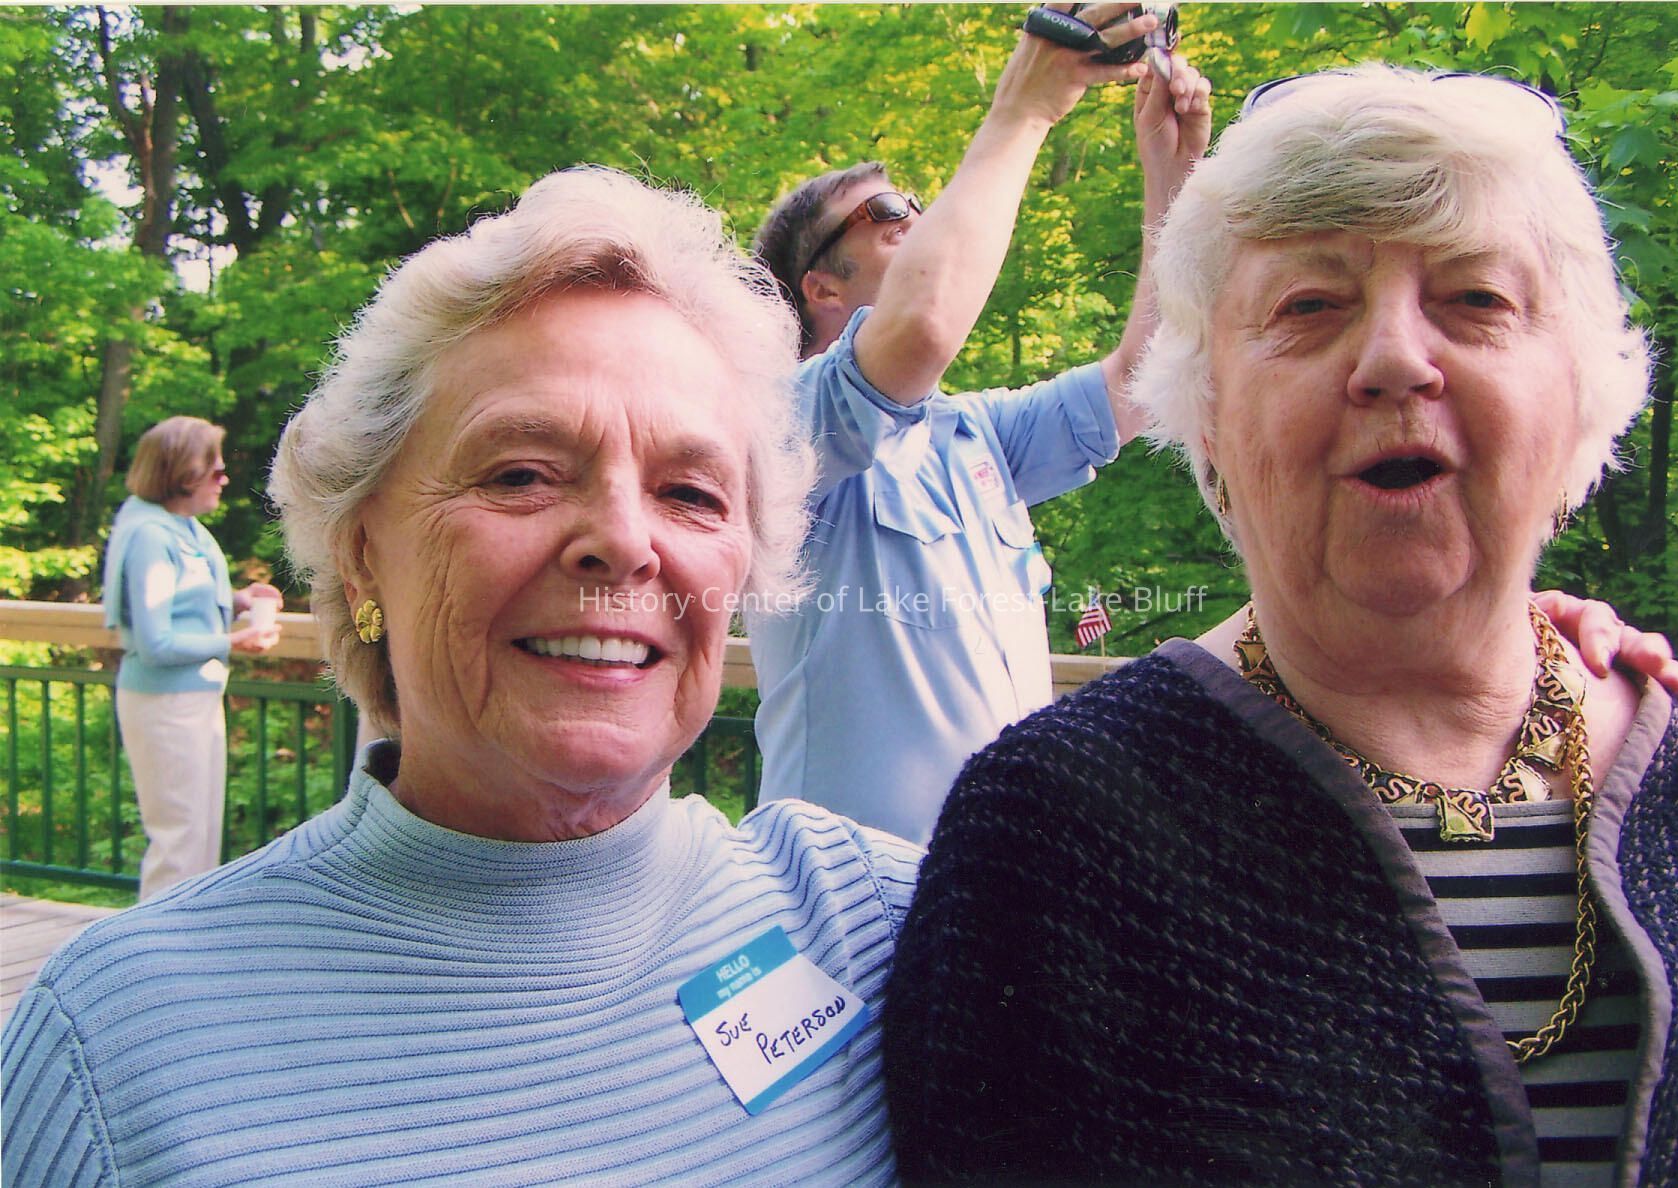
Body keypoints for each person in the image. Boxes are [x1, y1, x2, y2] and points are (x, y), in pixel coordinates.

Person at [883, 65, 1678, 1185]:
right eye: (1308, 306)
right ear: (1205, 413)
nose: (1395, 358)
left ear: (1582, 391)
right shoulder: (1054, 826)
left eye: (1474, 299)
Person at [3, 168, 922, 1185]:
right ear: (361, 552)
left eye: (691, 494)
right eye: (520, 473)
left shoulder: (878, 920)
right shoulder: (115, 1049)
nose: (625, 541)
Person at [745, 4, 1215, 842]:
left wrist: (1171, 181)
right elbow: (922, 328)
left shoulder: (975, 435)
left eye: (919, 205)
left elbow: (1142, 381)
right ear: (820, 286)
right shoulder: (779, 424)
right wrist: (1024, 105)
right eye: (886, 212)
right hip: (849, 895)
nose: (917, 220)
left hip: (1005, 881)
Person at [99, 415, 282, 899]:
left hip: (195, 698)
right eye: (216, 471)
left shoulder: (183, 529)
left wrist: (239, 601)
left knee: (201, 835)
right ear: (183, 473)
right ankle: (157, 943)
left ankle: (186, 939)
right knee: (178, 840)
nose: (225, 479)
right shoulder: (151, 536)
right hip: (164, 704)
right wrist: (234, 642)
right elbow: (156, 644)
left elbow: (185, 601)